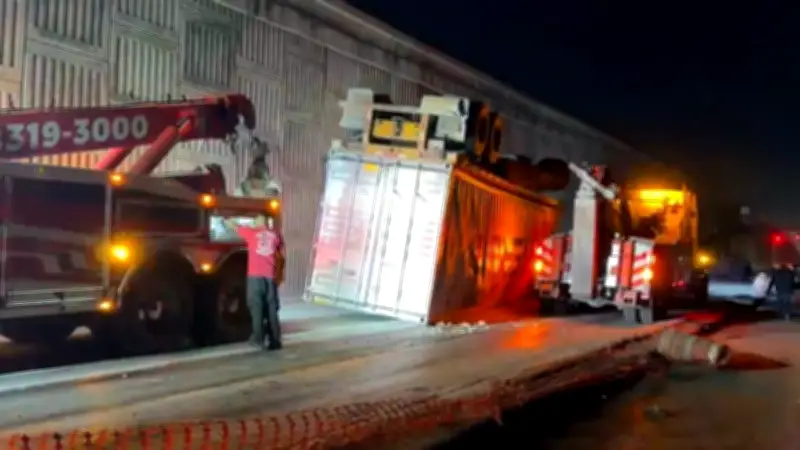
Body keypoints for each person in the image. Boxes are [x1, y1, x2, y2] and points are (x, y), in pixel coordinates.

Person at [225, 213, 284, 350]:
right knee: (271, 308)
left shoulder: (252, 233)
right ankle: (275, 340)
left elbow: (234, 227)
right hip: (270, 276)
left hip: (255, 276)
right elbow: (280, 254)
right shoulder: (275, 235)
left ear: (257, 222)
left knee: (256, 306)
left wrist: (228, 219)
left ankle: (258, 338)